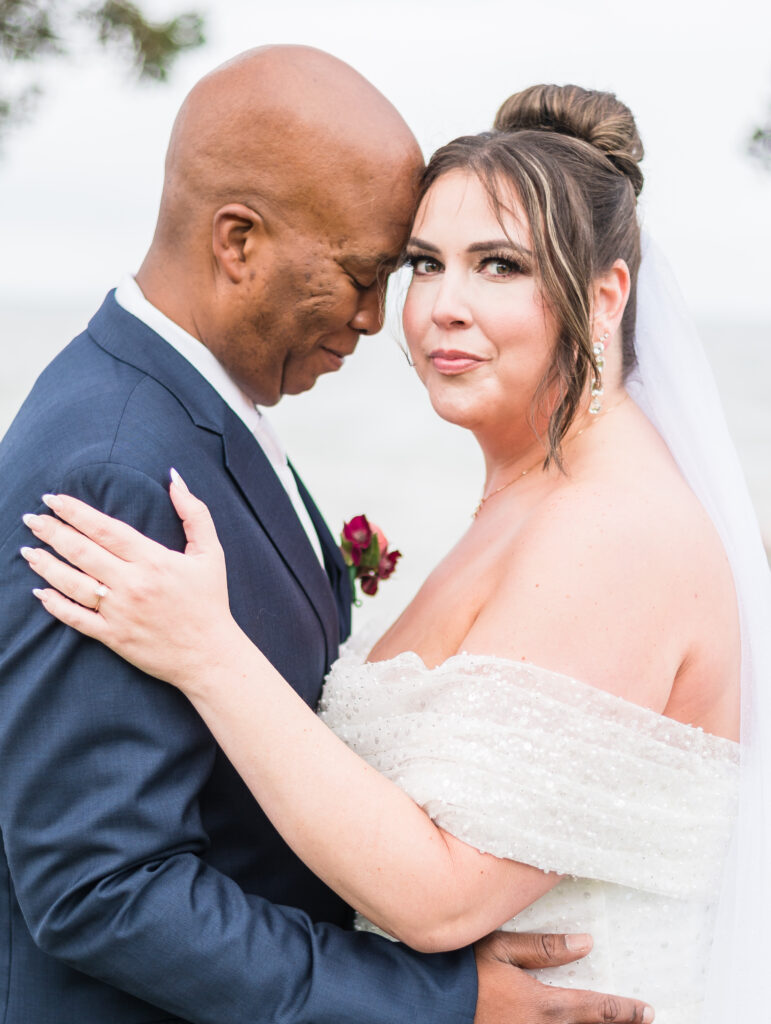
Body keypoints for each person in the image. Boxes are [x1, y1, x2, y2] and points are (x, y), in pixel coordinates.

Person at [22, 81, 769, 1022]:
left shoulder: (618, 533)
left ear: (605, 293)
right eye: (424, 263)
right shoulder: (528, 498)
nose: (436, 308)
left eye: (498, 265)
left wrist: (207, 651)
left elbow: (443, 895)